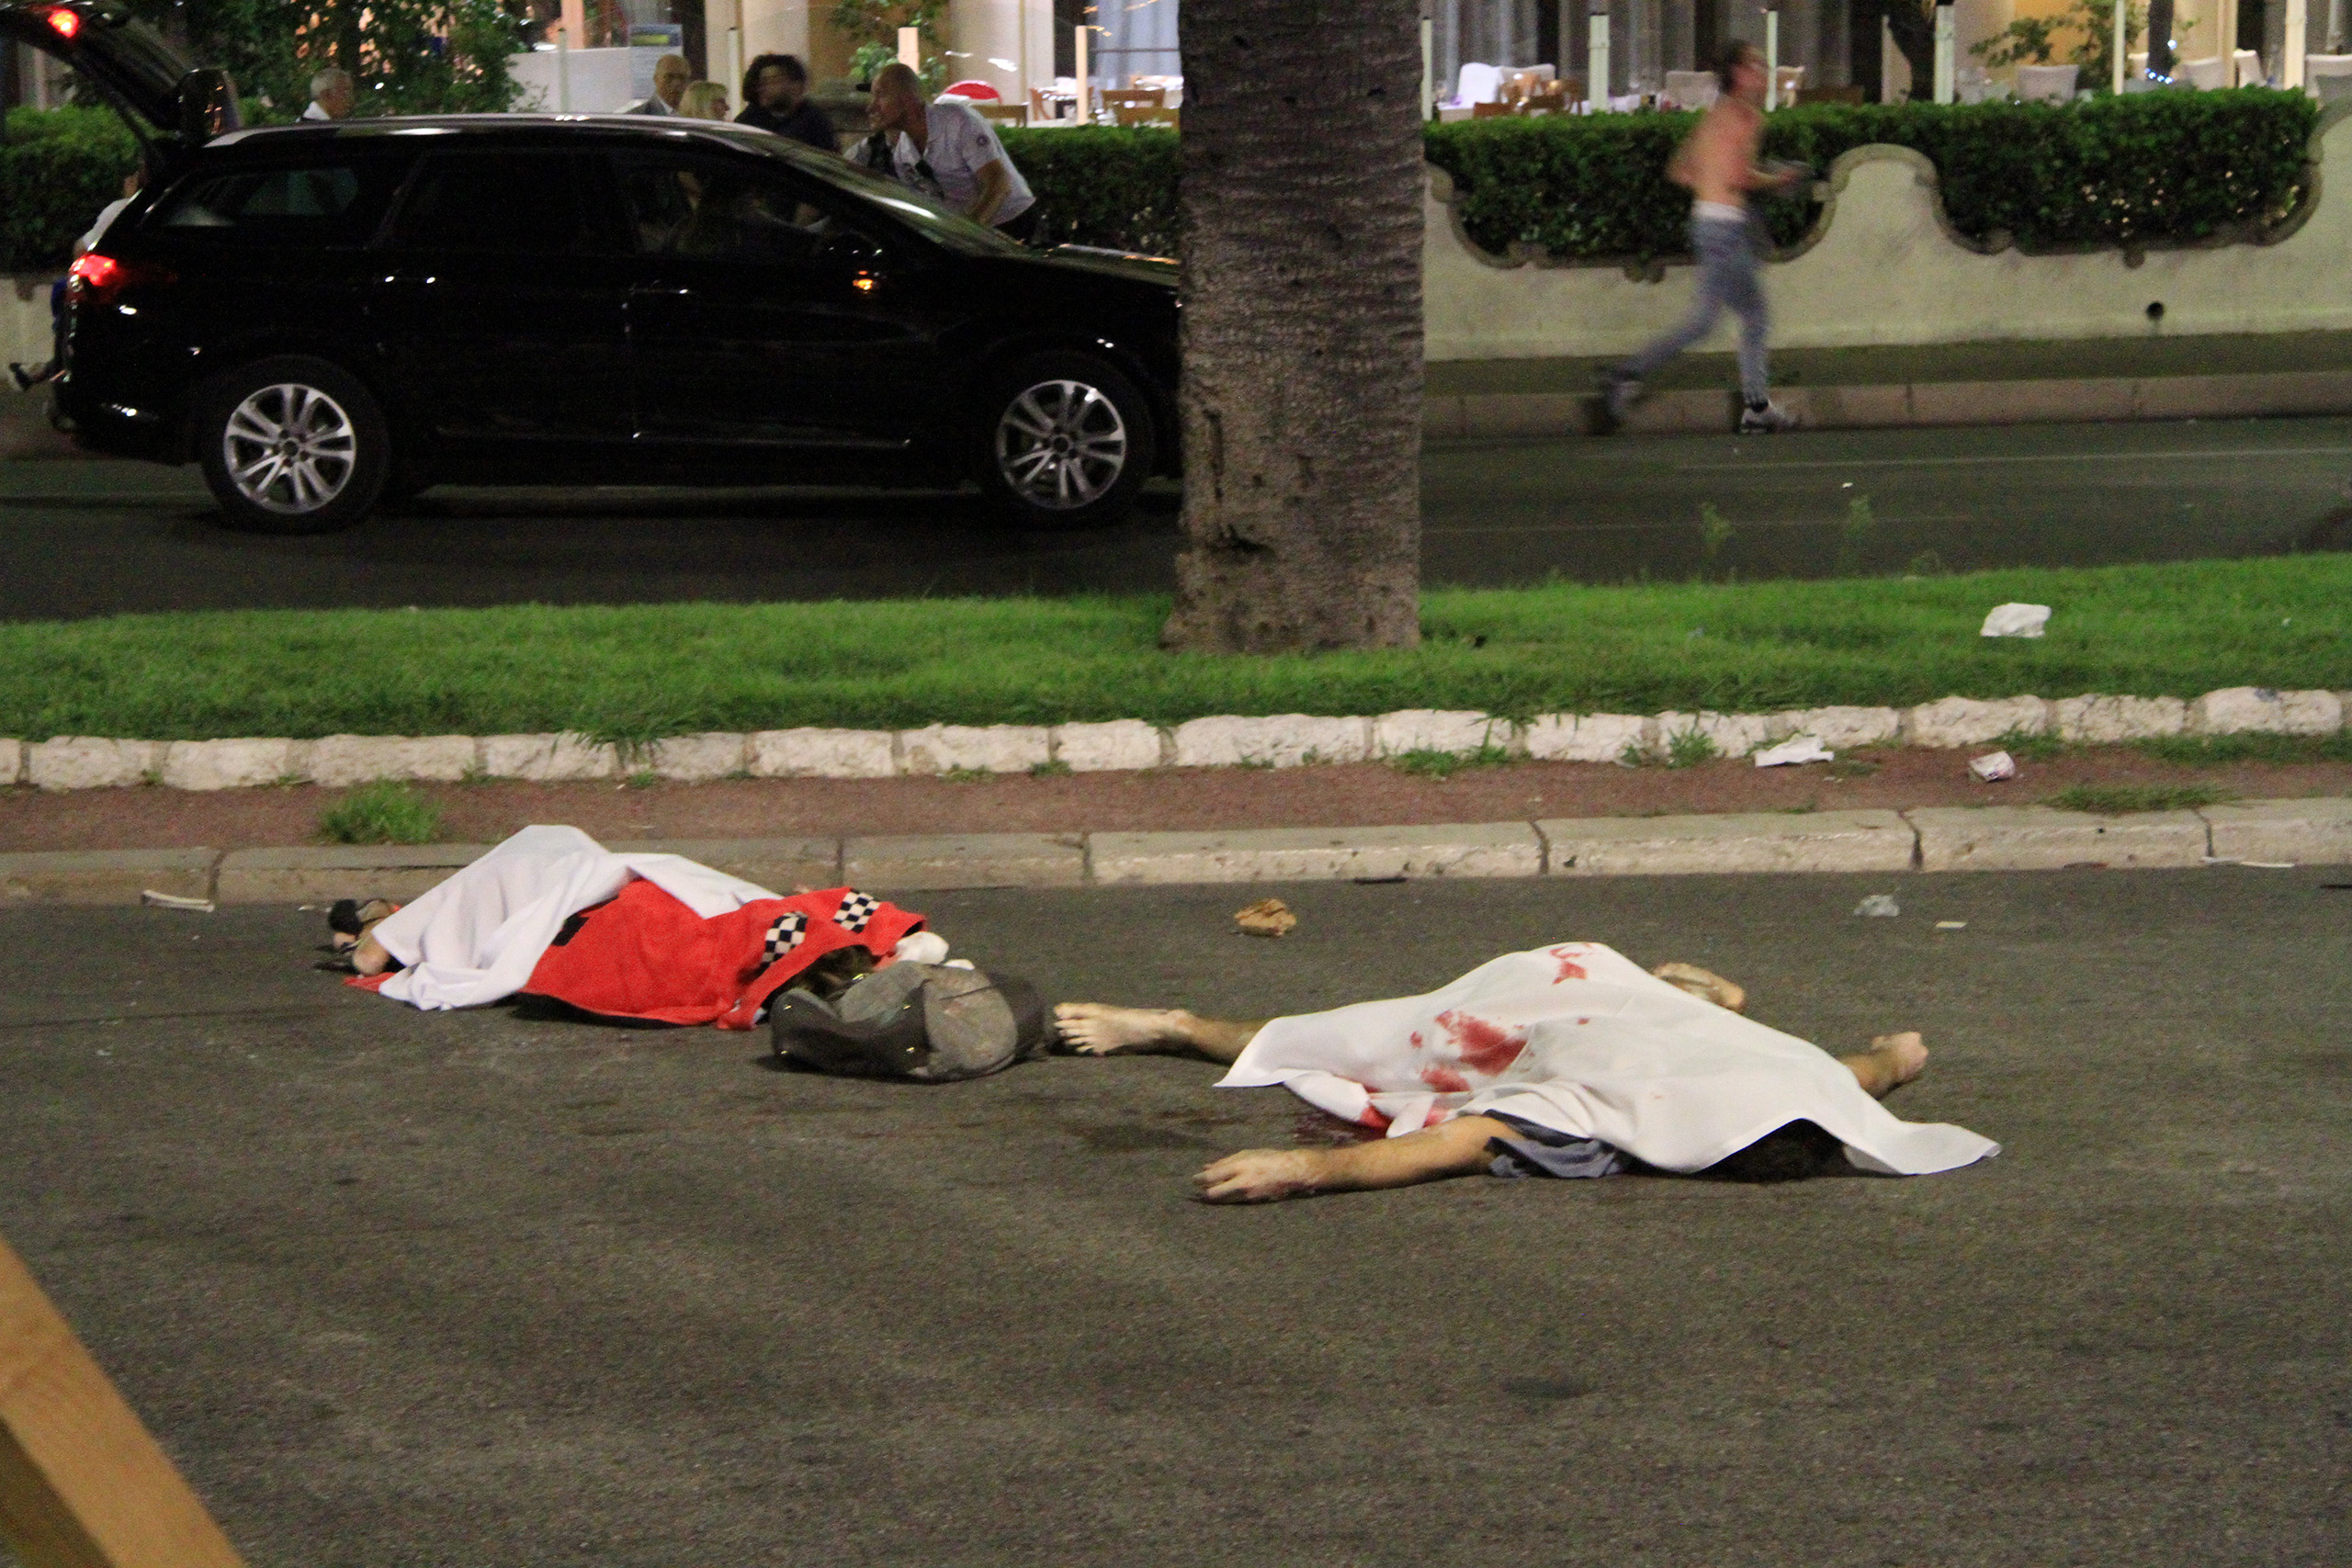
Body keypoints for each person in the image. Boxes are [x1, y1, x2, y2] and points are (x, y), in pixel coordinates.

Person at [1054, 942, 1997, 1203]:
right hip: (1599, 992)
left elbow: (1457, 1144)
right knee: (1362, 1039)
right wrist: (1895, 1058)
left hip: (1534, 1018)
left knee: (1365, 1042)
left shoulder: (1596, 1122)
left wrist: (1305, 1169)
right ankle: (1705, 997)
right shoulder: (1808, 1085)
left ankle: (1175, 1026)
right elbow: (1863, 1074)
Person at [335, 825, 936, 1030]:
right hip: (631, 916)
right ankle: (390, 933)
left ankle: (382, 938)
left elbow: (791, 921)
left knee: (547, 850)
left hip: (617, 916)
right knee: (551, 858)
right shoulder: (784, 952)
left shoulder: (789, 939)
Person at [1599, 40, 1803, 436]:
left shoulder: (1713, 116)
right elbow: (1739, 176)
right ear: (1739, 73)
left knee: (1733, 317)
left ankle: (1754, 406)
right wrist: (1780, 178)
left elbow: (1679, 170)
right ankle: (1627, 375)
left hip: (1708, 223)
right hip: (1725, 228)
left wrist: (1713, 186)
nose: (1765, 73)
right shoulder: (1745, 117)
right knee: (1726, 319)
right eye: (1757, 66)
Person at [855, 62, 1037, 240]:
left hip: (1013, 223)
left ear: (909, 98)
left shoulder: (958, 121)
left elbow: (999, 183)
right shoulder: (903, 154)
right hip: (970, 230)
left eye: (880, 95)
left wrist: (966, 235)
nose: (871, 107)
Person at [11, 168, 142, 391]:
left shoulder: (122, 209)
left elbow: (81, 252)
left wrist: (130, 200)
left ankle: (49, 369)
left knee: (69, 294)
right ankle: (43, 369)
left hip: (120, 293)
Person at [736, 53, 837, 152]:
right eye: (761, 83)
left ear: (796, 85)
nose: (764, 89)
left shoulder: (814, 121)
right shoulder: (748, 120)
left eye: (773, 81)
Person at [621, 53, 691, 116]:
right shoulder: (636, 118)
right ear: (656, 79)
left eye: (682, 77)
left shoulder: (695, 115)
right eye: (669, 77)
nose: (676, 83)